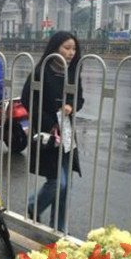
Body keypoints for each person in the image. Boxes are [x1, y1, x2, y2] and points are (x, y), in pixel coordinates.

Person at [21, 31, 84, 232]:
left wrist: (71, 106)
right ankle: (34, 205)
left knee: (67, 184)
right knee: (58, 182)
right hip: (47, 134)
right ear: (56, 47)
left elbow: (79, 98)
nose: (71, 52)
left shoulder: (73, 72)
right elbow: (27, 100)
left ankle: (59, 227)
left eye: (74, 48)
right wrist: (50, 123)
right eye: (67, 48)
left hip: (66, 131)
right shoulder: (41, 72)